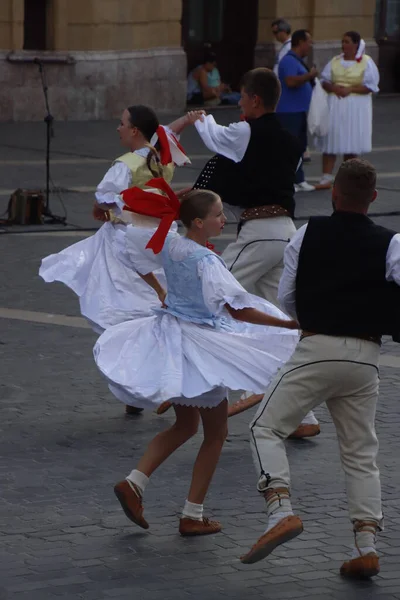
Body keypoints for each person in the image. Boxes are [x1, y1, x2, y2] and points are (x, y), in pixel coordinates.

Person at [93, 187, 299, 535]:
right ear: (200, 222)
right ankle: (192, 512)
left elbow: (144, 248)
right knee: (216, 433)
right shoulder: (205, 261)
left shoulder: (174, 242)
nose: (225, 219)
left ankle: (135, 482)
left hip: (172, 340)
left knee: (185, 426)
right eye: (219, 214)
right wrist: (286, 323)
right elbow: (238, 307)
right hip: (198, 347)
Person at [240, 158, 400, 579]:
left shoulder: (309, 233)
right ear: (374, 198)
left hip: (316, 346)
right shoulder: (392, 241)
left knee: (264, 428)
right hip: (365, 356)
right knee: (361, 453)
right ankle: (365, 545)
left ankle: (280, 510)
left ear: (333, 193)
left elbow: (288, 298)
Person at [189, 67, 320, 436]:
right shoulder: (293, 142)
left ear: (255, 100)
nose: (241, 104)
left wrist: (201, 117)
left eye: (243, 97)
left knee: (209, 290)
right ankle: (302, 415)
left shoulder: (247, 131)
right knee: (276, 319)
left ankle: (195, 381)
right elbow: (262, 174)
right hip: (286, 234)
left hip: (261, 234)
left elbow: (217, 138)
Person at [39, 105, 192, 415]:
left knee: (121, 314)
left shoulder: (125, 164)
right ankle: (147, 387)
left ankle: (137, 387)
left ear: (135, 130)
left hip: (125, 245)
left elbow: (105, 199)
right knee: (153, 311)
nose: (118, 128)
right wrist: (187, 120)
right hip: (157, 241)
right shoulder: (159, 157)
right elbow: (168, 133)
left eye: (122, 124)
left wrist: (103, 209)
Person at [319, 32, 380, 186]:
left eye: (347, 42)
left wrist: (350, 89)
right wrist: (333, 87)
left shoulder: (366, 62)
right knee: (331, 139)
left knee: (351, 142)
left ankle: (349, 178)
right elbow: (324, 80)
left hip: (356, 108)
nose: (343, 45)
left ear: (356, 45)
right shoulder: (335, 61)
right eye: (343, 41)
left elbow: (370, 86)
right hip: (335, 105)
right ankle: (326, 177)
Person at [276, 29, 317, 192]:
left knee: (300, 146)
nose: (310, 45)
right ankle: (288, 180)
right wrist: (310, 75)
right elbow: (291, 81)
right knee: (289, 147)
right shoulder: (288, 61)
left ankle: (298, 179)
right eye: (309, 42)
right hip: (288, 112)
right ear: (300, 42)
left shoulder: (297, 60)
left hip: (299, 110)